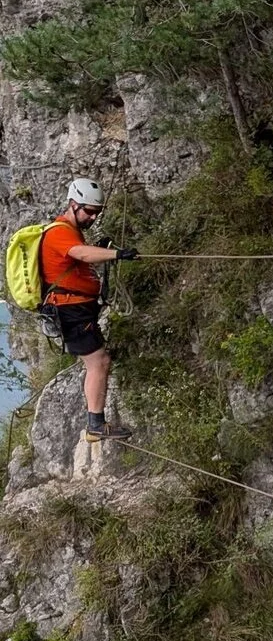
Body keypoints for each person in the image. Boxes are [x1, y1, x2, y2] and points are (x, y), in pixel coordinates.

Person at [40, 177, 138, 443]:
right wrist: (116, 255)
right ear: (73, 205)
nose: (93, 217)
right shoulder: (59, 232)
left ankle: (96, 422)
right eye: (88, 211)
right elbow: (82, 255)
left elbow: (80, 257)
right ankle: (96, 424)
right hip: (70, 311)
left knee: (99, 361)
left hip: (77, 309)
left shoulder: (71, 231)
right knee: (99, 362)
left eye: (97, 212)